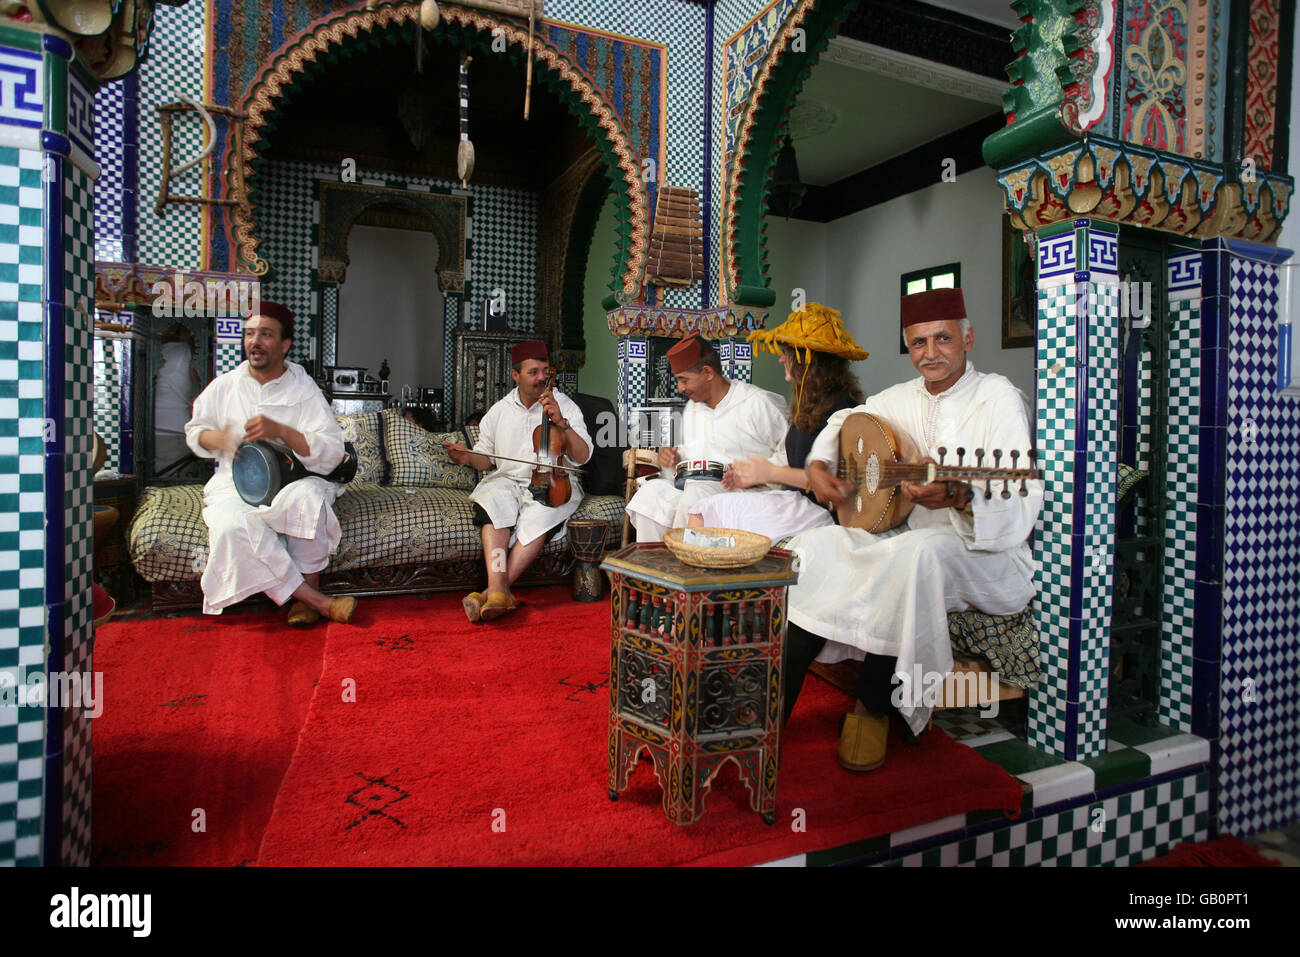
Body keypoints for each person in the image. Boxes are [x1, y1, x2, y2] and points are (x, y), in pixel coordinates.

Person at [784, 288, 1042, 772]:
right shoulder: (898, 399)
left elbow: (1019, 493)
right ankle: (774, 703)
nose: (930, 353)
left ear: (968, 337)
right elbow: (842, 420)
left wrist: (963, 496)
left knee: (915, 555)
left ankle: (873, 708)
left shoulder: (998, 399)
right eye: (919, 342)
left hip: (984, 553)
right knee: (816, 545)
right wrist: (820, 461)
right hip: (908, 538)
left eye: (942, 338)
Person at [184, 302, 357, 625]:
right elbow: (196, 432)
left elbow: (332, 451)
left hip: (296, 479)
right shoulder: (225, 386)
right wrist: (216, 439)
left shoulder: (303, 389)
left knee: (306, 500)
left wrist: (283, 432)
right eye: (250, 334)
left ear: (284, 344)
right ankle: (315, 601)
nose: (255, 342)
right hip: (235, 483)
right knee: (233, 526)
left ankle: (307, 599)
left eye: (265, 334)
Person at [687, 302, 867, 541]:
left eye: (787, 352)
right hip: (793, 502)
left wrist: (769, 473)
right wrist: (754, 475)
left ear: (807, 359)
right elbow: (791, 460)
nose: (782, 359)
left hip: (817, 513)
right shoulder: (806, 403)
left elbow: (835, 481)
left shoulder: (843, 408)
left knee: (706, 515)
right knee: (700, 512)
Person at [444, 341, 592, 622]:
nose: (540, 378)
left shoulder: (565, 406)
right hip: (509, 480)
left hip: (554, 481)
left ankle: (494, 591)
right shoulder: (499, 411)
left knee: (541, 514)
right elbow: (486, 459)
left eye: (544, 371)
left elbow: (582, 456)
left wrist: (562, 422)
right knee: (493, 501)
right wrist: (466, 458)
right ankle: (499, 591)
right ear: (516, 376)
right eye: (533, 372)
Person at [625, 333, 787, 542]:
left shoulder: (757, 403)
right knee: (650, 495)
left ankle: (681, 568)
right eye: (678, 380)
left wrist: (754, 474)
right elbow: (691, 461)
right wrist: (673, 460)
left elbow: (789, 456)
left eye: (684, 380)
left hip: (750, 495)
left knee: (696, 495)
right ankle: (652, 568)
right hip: (699, 490)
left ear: (708, 372)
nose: (680, 388)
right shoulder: (694, 408)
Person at [154, 322, 202, 473]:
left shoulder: (155, 351)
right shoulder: (185, 352)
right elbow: (201, 384)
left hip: (153, 430)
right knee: (179, 490)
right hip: (177, 433)